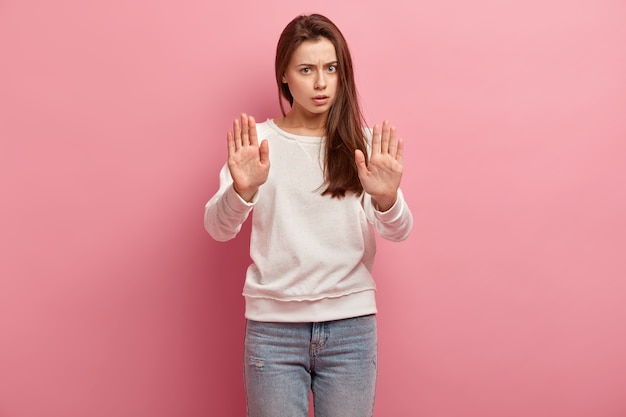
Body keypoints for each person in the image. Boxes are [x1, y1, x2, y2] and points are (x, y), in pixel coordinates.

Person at [204, 13, 413, 417]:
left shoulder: (361, 143)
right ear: (284, 75)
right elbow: (217, 227)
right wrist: (242, 190)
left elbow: (400, 231)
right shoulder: (259, 143)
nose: (321, 83)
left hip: (351, 329)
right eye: (306, 70)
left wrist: (387, 199)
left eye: (331, 68)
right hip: (273, 333)